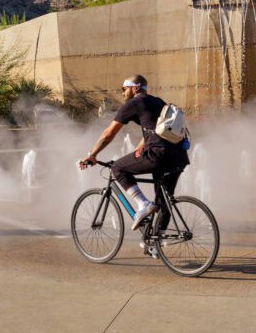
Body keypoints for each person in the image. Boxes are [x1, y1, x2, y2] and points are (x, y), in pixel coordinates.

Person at [80, 75, 189, 232]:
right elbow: (157, 129)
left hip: (159, 154)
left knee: (117, 168)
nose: (122, 93)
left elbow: (108, 134)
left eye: (124, 89)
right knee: (162, 201)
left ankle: (143, 204)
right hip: (179, 156)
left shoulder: (134, 103)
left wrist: (92, 154)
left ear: (135, 88)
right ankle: (155, 243)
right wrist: (139, 148)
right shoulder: (158, 101)